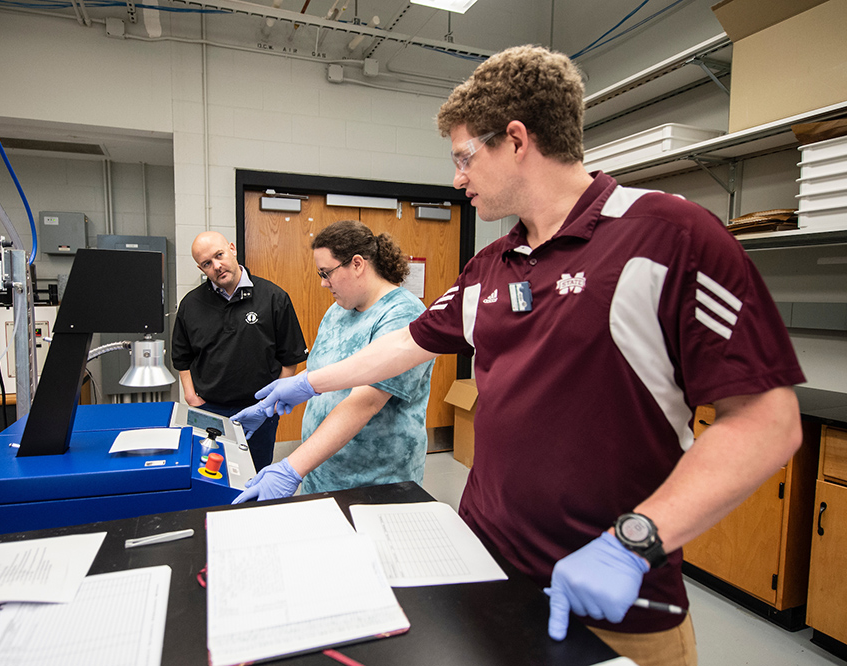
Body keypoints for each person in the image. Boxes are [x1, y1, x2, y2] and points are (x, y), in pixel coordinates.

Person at [237, 46, 805, 666]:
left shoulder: (671, 236)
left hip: (614, 603)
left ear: (515, 140)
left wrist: (634, 543)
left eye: (463, 157)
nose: (457, 178)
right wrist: (308, 384)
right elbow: (406, 343)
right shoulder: (488, 267)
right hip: (484, 570)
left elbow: (765, 423)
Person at [231, 220, 435, 503]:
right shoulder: (338, 311)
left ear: (357, 264)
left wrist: (291, 468)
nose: (323, 282)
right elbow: (324, 373)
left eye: (327, 273)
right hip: (322, 469)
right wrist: (275, 401)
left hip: (375, 480)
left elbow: (366, 403)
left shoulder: (402, 314)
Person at [172, 231, 308, 473]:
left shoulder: (273, 297)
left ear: (232, 249)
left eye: (219, 255)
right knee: (210, 475)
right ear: (200, 268)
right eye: (207, 263)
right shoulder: (191, 305)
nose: (217, 266)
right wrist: (191, 396)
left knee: (253, 474)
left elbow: (290, 358)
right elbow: (182, 358)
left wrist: (272, 403)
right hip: (209, 409)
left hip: (258, 409)